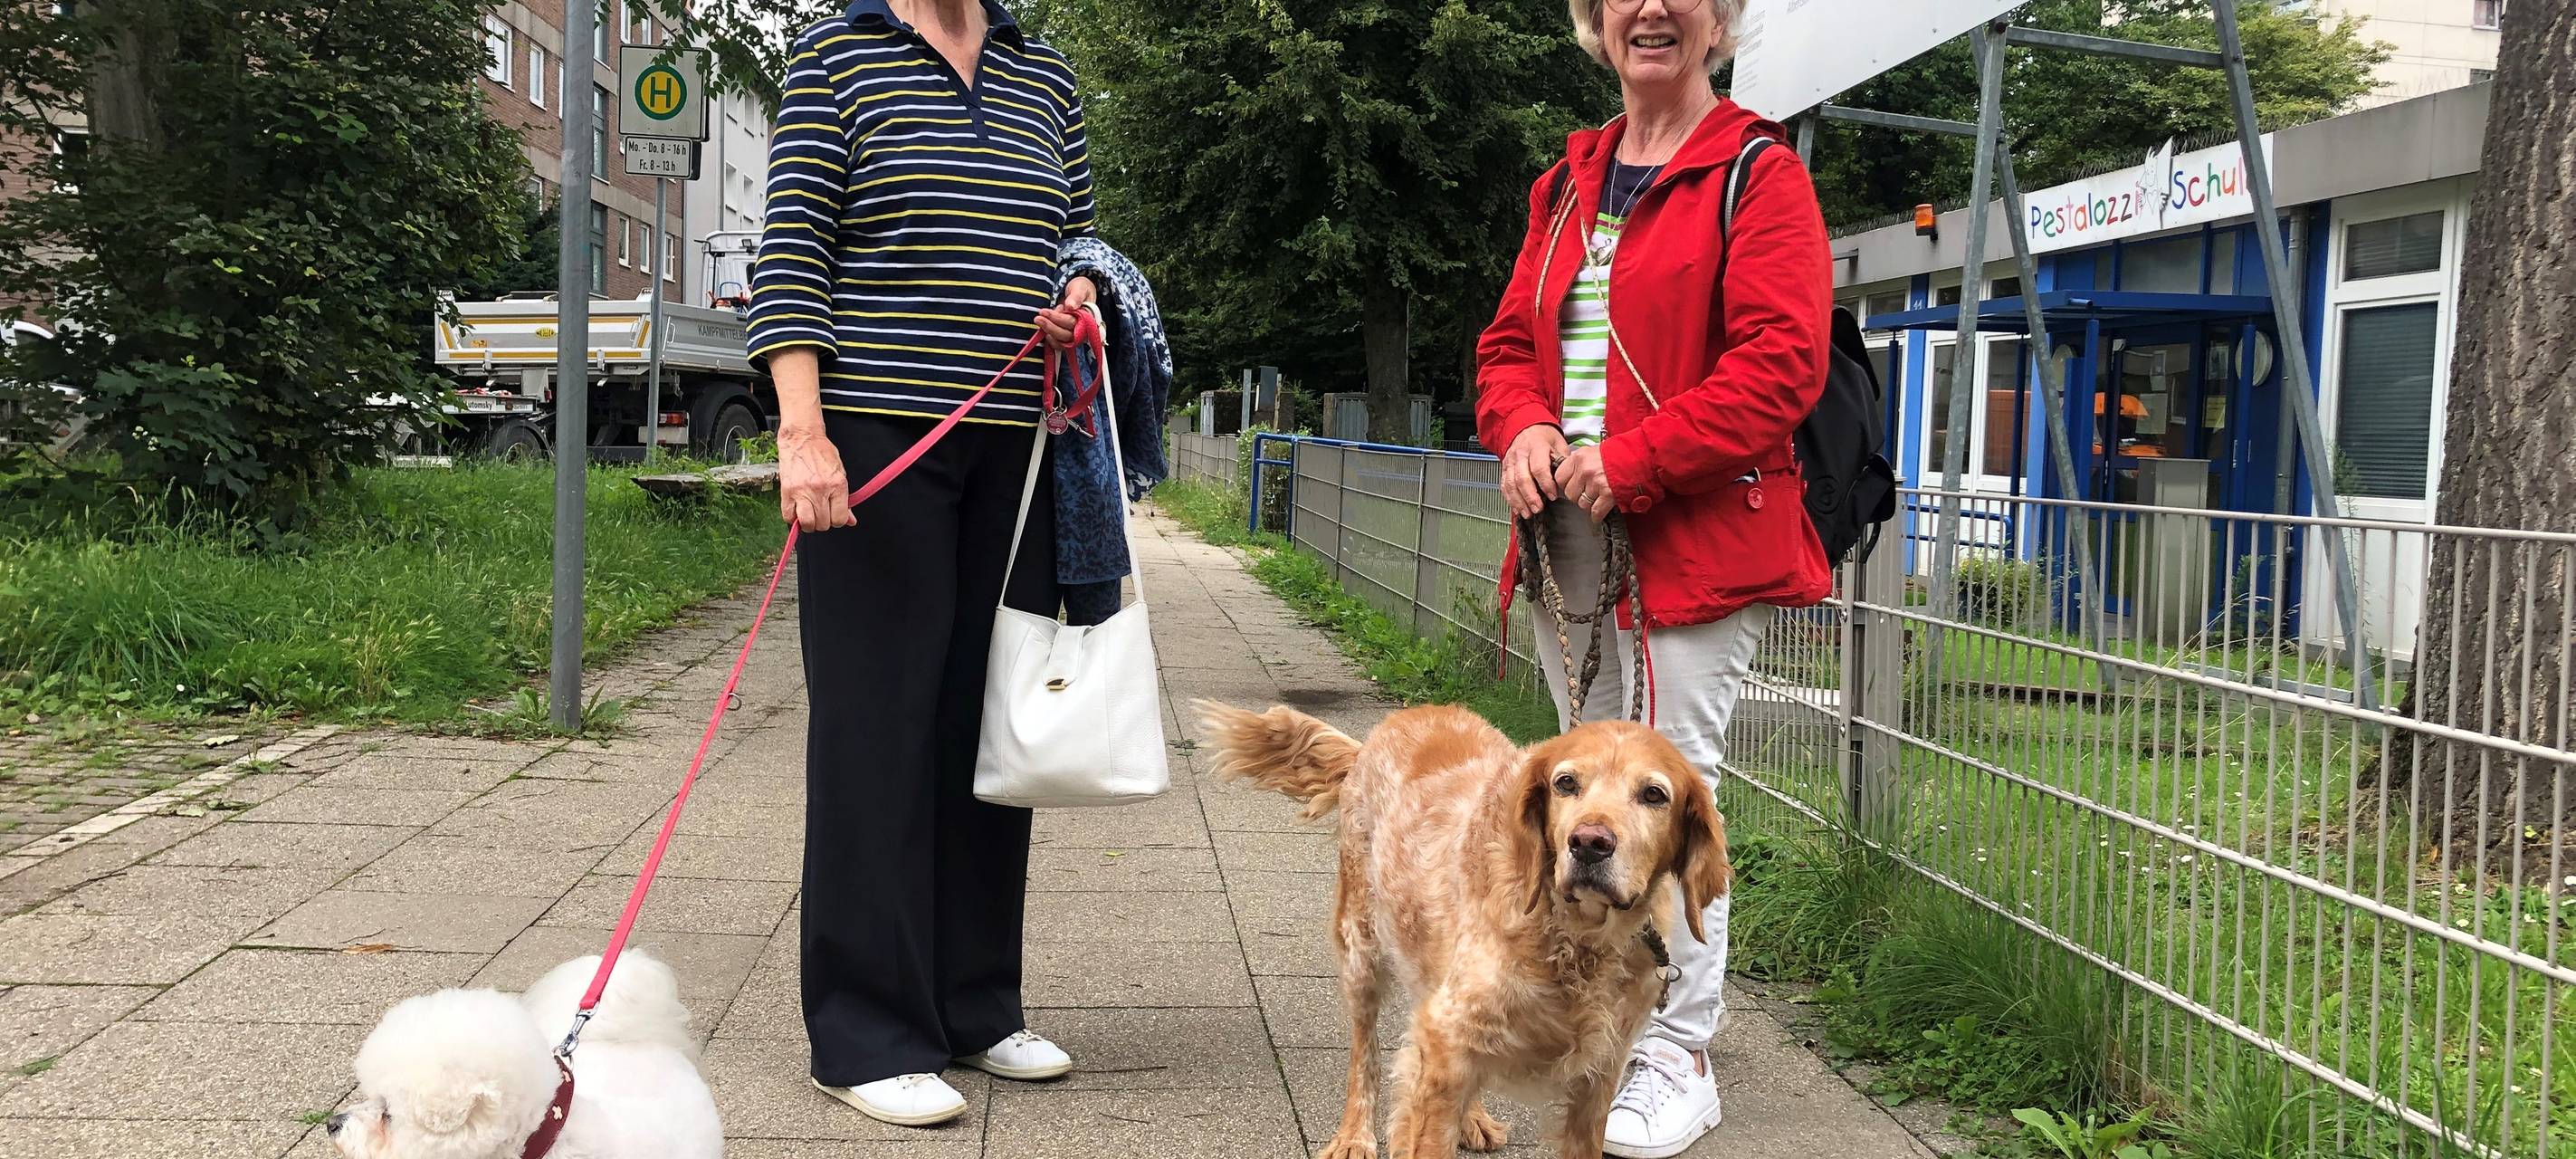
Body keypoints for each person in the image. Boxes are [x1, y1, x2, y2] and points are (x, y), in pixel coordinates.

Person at [1473, 0, 1834, 1154]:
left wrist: (1631, 459)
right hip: (1565, 539)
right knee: (1589, 797)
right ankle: (1597, 1015)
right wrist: (1524, 426)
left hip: (1688, 537)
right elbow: (1504, 348)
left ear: (1721, 22)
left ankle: (1676, 1049)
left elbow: (1782, 364)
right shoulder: (1565, 182)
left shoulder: (1756, 174)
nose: (1653, 9)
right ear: (1593, 21)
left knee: (1674, 788)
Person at [742, 0, 1102, 1130]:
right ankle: (861, 1032)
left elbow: (1078, 239)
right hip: (880, 440)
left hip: (1016, 444)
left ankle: (973, 1002)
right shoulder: (838, 55)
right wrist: (803, 434)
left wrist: (1077, 298)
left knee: (986, 722)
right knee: (876, 727)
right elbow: (792, 253)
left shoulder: (1044, 72)